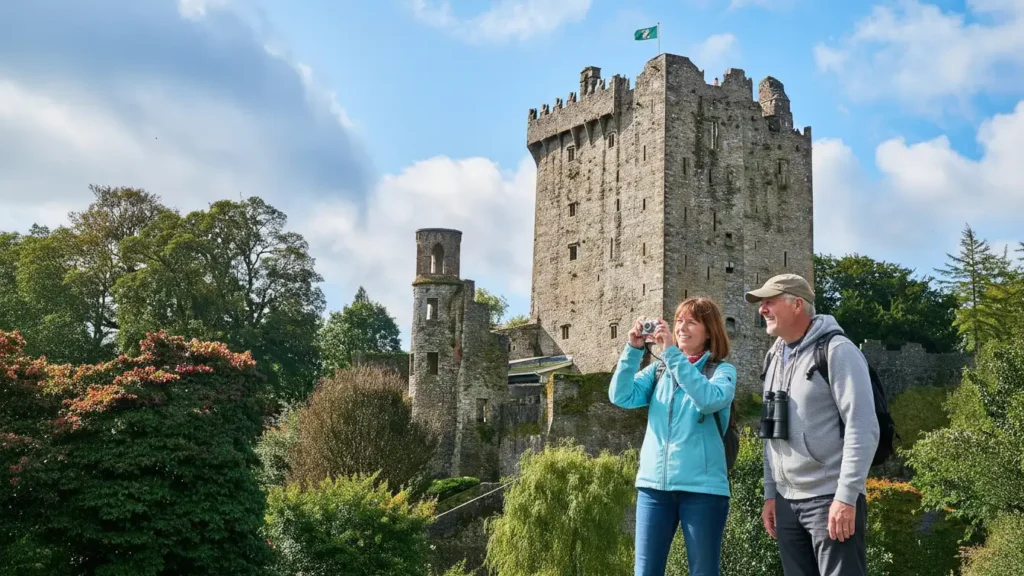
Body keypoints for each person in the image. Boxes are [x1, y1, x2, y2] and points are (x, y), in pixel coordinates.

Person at [745, 274, 879, 576]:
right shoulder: (773, 356)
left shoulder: (837, 350)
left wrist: (846, 496)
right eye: (761, 303)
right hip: (786, 503)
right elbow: (771, 431)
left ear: (797, 304)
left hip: (830, 499)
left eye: (769, 302)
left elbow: (863, 426)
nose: (761, 309)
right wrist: (771, 493)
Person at [609, 297, 737, 576]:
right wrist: (633, 349)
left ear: (709, 332)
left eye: (692, 322)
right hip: (654, 489)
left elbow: (707, 399)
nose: (682, 327)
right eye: (679, 320)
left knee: (703, 572)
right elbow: (620, 395)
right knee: (645, 572)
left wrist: (671, 354)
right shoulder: (659, 371)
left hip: (703, 491)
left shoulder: (722, 371)